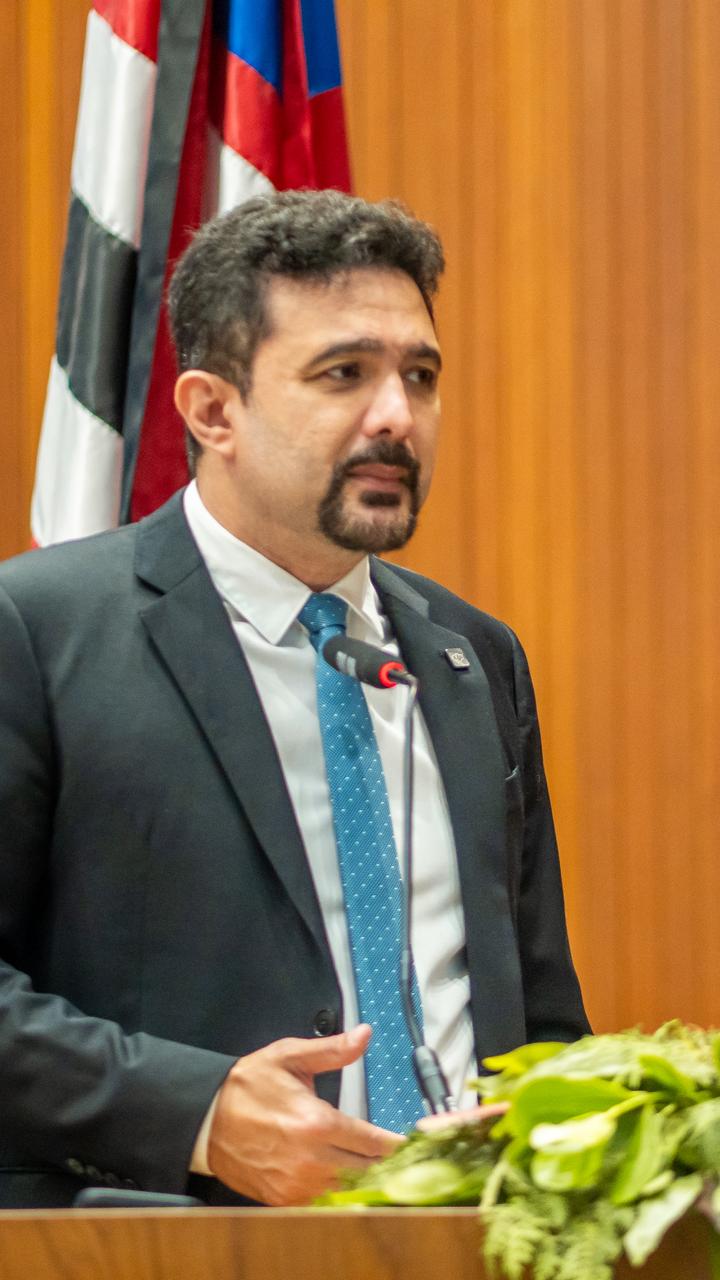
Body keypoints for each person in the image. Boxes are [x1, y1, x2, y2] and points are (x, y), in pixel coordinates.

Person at [0, 190, 589, 1210]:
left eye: (420, 375)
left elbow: (539, 1018)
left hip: (466, 1244)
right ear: (212, 410)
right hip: (167, 1246)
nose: (397, 416)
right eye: (343, 373)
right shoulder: (37, 628)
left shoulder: (472, 656)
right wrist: (193, 1114)